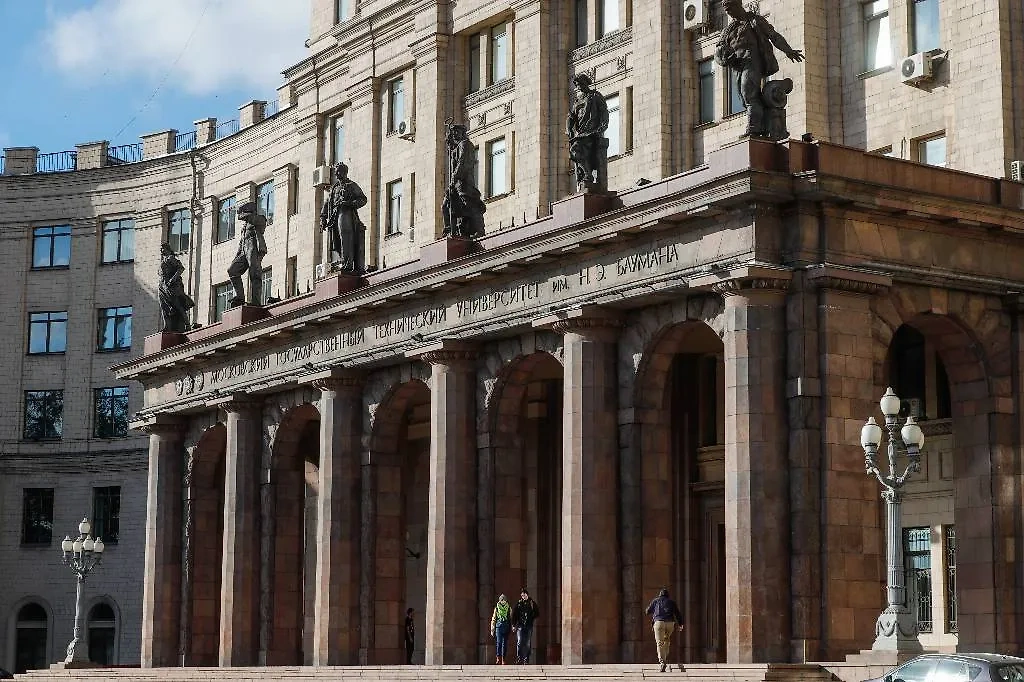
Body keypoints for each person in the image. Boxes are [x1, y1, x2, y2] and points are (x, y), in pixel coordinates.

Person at [715, 0, 803, 138]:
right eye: (727, 11)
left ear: (738, 5)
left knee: (748, 93)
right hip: (738, 66)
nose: (729, 13)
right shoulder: (728, 30)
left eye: (731, 9)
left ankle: (754, 129)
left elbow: (774, 36)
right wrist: (723, 59)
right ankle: (764, 123)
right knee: (745, 98)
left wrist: (788, 51)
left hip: (753, 61)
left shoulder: (754, 20)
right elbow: (718, 52)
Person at [319, 162, 368, 273]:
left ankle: (348, 264)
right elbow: (327, 203)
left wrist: (349, 203)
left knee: (346, 239)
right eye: (335, 173)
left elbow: (363, 199)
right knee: (337, 242)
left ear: (344, 172)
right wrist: (323, 218)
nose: (336, 175)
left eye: (338, 173)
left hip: (345, 215)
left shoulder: (352, 185)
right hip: (334, 217)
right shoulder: (334, 187)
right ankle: (344, 261)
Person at [442, 119, 486, 239]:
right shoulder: (456, 148)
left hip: (464, 183)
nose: (455, 135)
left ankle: (479, 229)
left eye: (457, 132)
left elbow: (463, 163)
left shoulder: (465, 144)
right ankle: (450, 231)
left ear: (462, 133)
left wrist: (454, 179)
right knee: (446, 206)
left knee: (469, 204)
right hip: (456, 184)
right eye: (453, 133)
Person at [565, 73, 610, 192]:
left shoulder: (595, 96)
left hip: (592, 133)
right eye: (577, 85)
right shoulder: (578, 101)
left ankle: (588, 175)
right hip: (581, 134)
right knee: (574, 152)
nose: (578, 87)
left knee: (575, 150)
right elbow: (571, 116)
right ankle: (587, 174)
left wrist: (601, 128)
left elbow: (604, 112)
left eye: (580, 84)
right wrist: (569, 128)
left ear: (586, 84)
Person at [227, 201, 268, 307]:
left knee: (255, 274)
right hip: (244, 250)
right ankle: (240, 297)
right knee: (232, 270)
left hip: (254, 248)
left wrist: (241, 213)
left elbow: (251, 218)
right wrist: (237, 256)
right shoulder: (245, 226)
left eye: (246, 212)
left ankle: (256, 302)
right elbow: (241, 242)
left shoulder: (260, 219)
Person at [158, 243, 194, 333]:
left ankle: (187, 324)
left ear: (167, 249)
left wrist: (172, 279)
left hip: (171, 286)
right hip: (163, 286)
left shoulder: (171, 258)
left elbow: (181, 269)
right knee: (164, 306)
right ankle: (167, 325)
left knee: (177, 305)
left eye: (162, 249)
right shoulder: (164, 260)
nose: (161, 251)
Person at [646, 588, 684, 673]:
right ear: (668, 595)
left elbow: (647, 611)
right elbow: (677, 613)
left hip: (659, 623)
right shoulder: (671, 602)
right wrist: (681, 624)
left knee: (660, 642)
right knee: (666, 640)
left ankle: (662, 662)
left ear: (660, 595)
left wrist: (654, 611)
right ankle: (665, 657)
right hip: (670, 623)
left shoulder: (656, 601)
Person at [511, 588, 539, 665]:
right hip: (520, 626)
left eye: (524, 595)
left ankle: (526, 659)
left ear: (527, 594)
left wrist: (532, 617)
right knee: (519, 642)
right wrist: (513, 625)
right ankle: (519, 658)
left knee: (527, 643)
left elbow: (537, 613)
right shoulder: (519, 604)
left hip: (529, 625)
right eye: (522, 595)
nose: (523, 597)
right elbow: (514, 615)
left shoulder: (532, 603)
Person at [490, 593, 512, 664]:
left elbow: (511, 618)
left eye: (504, 600)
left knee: (504, 643)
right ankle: (498, 658)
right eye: (502, 600)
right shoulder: (496, 608)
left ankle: (503, 659)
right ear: (499, 601)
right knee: (499, 642)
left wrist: (512, 626)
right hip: (498, 626)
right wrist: (492, 629)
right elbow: (494, 618)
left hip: (506, 626)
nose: (503, 601)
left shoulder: (509, 608)